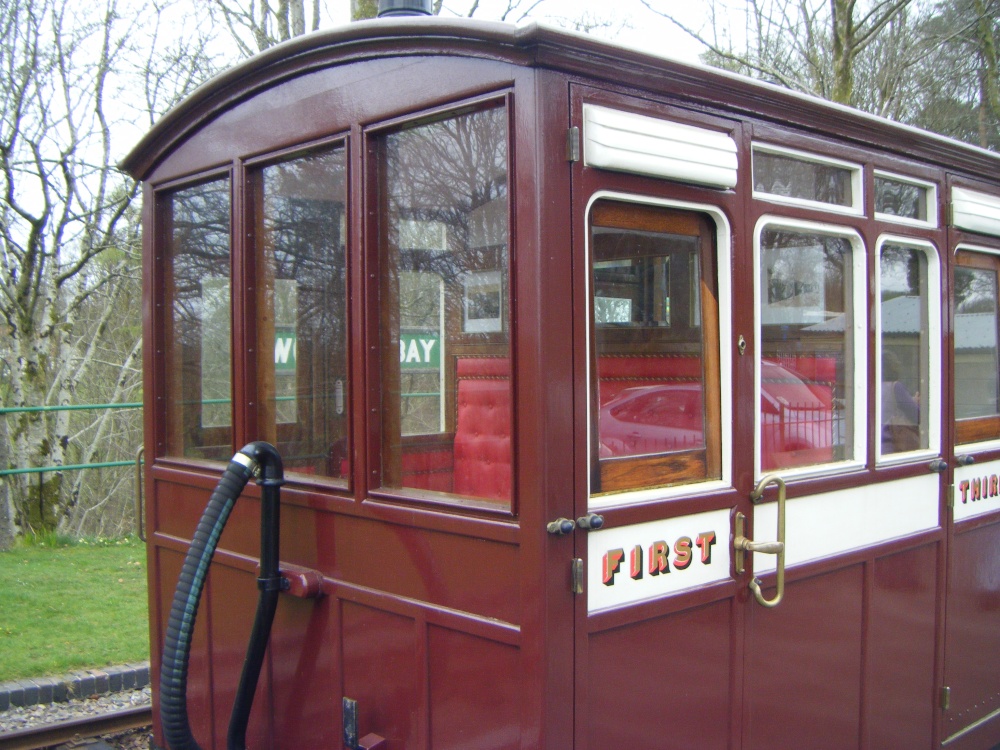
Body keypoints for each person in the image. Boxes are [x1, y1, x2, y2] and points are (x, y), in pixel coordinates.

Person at [882, 351, 920, 453]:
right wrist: (915, 402)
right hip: (892, 443)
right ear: (892, 368)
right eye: (896, 363)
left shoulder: (872, 387)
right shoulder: (895, 387)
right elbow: (916, 415)